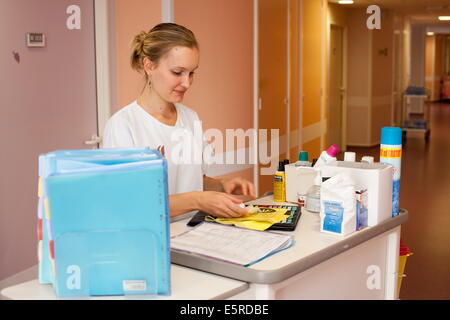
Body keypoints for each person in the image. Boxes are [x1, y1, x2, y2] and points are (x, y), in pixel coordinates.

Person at [103, 23, 256, 219]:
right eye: (177, 72)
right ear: (149, 65)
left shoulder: (189, 117)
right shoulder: (124, 125)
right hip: (153, 240)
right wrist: (198, 200)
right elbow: (130, 203)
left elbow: (190, 179)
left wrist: (222, 186)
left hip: (192, 235)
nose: (186, 83)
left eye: (191, 73)